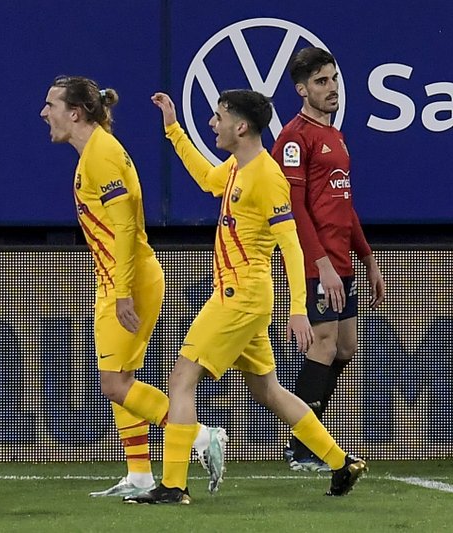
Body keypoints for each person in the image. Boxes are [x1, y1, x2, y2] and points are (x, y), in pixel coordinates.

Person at [124, 89, 367, 505]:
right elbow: (206, 180)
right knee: (269, 391)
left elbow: (291, 244)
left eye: (218, 117)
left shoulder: (268, 176)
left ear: (241, 126)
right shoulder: (239, 165)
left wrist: (298, 311)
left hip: (240, 297)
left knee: (181, 379)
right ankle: (341, 463)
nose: (212, 124)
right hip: (241, 296)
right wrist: (172, 131)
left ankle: (174, 485)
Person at [40, 75, 228, 497]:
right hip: (119, 278)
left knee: (114, 383)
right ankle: (140, 474)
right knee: (121, 377)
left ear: (75, 113)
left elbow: (125, 227)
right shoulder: (95, 151)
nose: (43, 113)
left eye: (50, 105)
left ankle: (199, 437)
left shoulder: (101, 154)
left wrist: (122, 291)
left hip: (128, 279)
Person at [272, 47, 385, 472]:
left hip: (342, 261)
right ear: (302, 90)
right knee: (321, 345)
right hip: (316, 263)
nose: (332, 87)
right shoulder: (293, 138)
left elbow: (344, 202)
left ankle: (308, 434)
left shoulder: (335, 135)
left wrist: (368, 258)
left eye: (334, 78)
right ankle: (303, 446)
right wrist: (319, 264)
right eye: (321, 82)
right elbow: (294, 209)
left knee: (345, 347)